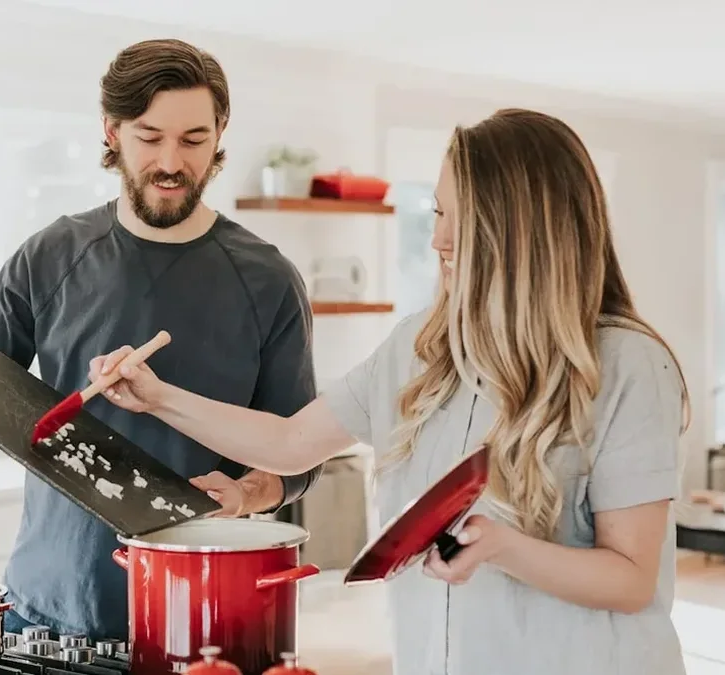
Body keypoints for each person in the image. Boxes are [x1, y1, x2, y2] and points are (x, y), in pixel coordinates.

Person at [90, 108, 692, 675]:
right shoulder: (420, 347)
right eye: (436, 212)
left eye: (460, 218)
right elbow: (290, 443)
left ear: (522, 231)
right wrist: (156, 396)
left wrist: (503, 547)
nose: (438, 240)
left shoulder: (627, 365)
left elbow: (632, 579)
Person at [0, 38, 323, 641]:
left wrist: (247, 492)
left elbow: (300, 453)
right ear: (112, 131)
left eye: (193, 140)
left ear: (220, 134)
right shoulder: (49, 256)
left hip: (200, 613)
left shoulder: (268, 279)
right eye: (149, 137)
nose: (171, 162)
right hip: (45, 612)